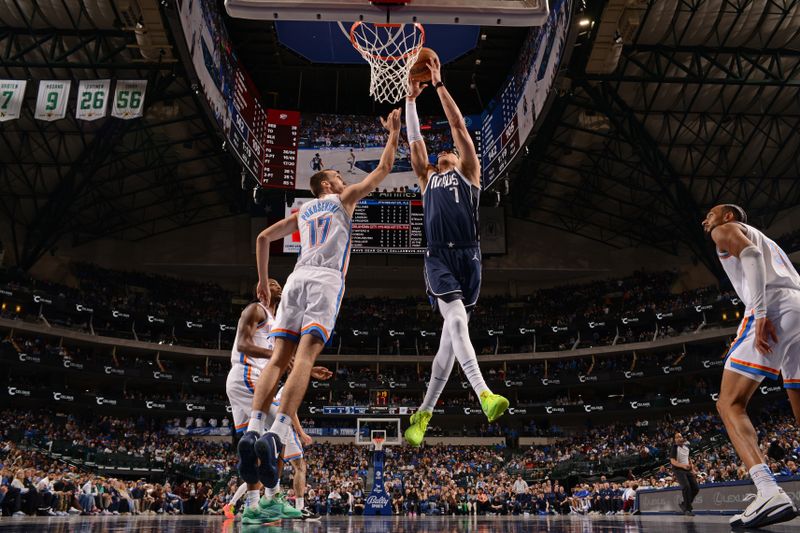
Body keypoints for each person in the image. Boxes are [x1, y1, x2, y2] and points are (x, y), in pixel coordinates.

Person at [238, 109, 401, 512]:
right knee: (305, 359)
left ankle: (255, 426)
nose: (346, 182)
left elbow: (262, 238)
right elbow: (383, 168)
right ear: (329, 184)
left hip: (294, 278)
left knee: (279, 359)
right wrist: (394, 134)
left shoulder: (301, 213)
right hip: (325, 280)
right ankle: (276, 432)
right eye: (340, 178)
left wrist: (262, 282)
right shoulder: (342, 199)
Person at [403, 56, 508, 447]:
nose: (445, 149)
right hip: (439, 258)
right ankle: (484, 393)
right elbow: (415, 142)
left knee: (451, 337)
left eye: (450, 149)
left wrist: (440, 84)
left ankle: (423, 414)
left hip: (471, 256)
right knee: (458, 323)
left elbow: (459, 126)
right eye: (440, 150)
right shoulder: (426, 176)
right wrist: (412, 100)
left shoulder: (469, 173)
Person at [703, 204, 800, 528]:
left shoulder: (725, 232)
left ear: (729, 217)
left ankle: (768, 490)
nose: (707, 220)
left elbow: (752, 258)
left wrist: (758, 316)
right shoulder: (768, 242)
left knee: (729, 403)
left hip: (773, 309)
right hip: (796, 306)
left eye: (712, 214)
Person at [226, 281, 331, 523]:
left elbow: (285, 361)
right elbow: (243, 345)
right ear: (260, 290)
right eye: (272, 283)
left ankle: (252, 508)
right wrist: (276, 356)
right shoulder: (255, 310)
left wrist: (310, 370)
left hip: (243, 382)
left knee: (252, 446)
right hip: (248, 375)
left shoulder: (275, 320)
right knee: (278, 434)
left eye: (279, 283)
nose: (278, 286)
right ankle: (272, 497)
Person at [670, 432, 698, 516]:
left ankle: (684, 504)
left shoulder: (687, 448)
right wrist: (682, 466)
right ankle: (687, 509)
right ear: (675, 440)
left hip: (687, 470)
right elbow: (673, 461)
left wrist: (692, 469)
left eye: (680, 437)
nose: (679, 438)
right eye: (677, 437)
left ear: (682, 438)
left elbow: (688, 458)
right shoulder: (674, 448)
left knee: (695, 488)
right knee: (686, 486)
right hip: (678, 469)